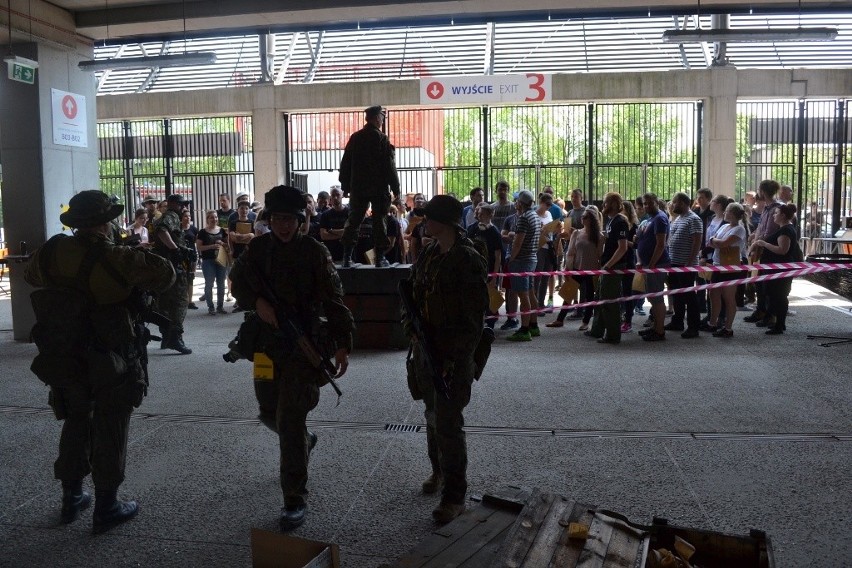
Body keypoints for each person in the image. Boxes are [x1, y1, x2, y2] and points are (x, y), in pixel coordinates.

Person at [25, 190, 175, 533]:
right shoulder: (118, 256)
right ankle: (107, 506)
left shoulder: (52, 250)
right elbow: (166, 276)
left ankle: (72, 497)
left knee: (77, 417)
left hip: (64, 353)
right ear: (105, 222)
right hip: (111, 356)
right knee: (110, 423)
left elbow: (32, 277)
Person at [230, 185, 354, 531]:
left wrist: (344, 341)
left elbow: (334, 299)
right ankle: (303, 441)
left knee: (290, 419)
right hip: (267, 348)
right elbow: (237, 282)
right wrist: (257, 302)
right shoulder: (257, 250)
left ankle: (293, 499)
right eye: (278, 220)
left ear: (301, 221)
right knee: (269, 413)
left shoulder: (314, 252)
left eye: (290, 220)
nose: (284, 227)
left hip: (303, 346)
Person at [403, 194, 488, 524]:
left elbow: (473, 319)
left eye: (431, 218)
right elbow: (410, 295)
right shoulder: (428, 253)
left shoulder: (467, 259)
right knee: (431, 415)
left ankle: (454, 495)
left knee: (449, 424)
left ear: (448, 222)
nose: (425, 222)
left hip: (452, 356)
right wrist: (411, 329)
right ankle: (438, 471)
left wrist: (455, 361)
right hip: (425, 351)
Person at [339, 105, 401, 267]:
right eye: (382, 117)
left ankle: (346, 257)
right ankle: (380, 258)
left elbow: (345, 162)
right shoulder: (381, 138)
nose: (383, 120)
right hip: (378, 187)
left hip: (358, 187)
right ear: (376, 118)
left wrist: (345, 185)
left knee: (354, 220)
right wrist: (396, 188)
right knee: (380, 221)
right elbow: (389, 166)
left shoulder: (356, 137)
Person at [547, 205, 603, 330]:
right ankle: (560, 319)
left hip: (591, 270)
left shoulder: (599, 236)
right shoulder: (577, 233)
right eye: (582, 217)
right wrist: (567, 268)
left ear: (592, 219)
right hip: (577, 268)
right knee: (568, 294)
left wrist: (599, 271)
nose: (582, 219)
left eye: (585, 217)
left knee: (589, 296)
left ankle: (586, 321)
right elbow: (570, 252)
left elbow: (600, 255)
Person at [151, 194, 193, 354]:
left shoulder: (168, 215)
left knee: (166, 302)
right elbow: (162, 230)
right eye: (182, 205)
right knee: (180, 302)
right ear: (174, 204)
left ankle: (167, 337)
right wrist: (175, 249)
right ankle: (175, 337)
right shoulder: (172, 216)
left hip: (165, 266)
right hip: (172, 266)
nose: (184, 208)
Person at [751, 203, 802, 335]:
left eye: (776, 213)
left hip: (780, 270)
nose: (774, 215)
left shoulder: (785, 230)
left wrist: (764, 244)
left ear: (783, 215)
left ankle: (779, 324)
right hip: (775, 269)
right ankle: (777, 322)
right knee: (774, 295)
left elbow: (782, 250)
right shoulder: (784, 229)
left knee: (779, 296)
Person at [588, 192, 629, 344]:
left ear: (612, 204)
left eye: (605, 202)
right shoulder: (610, 221)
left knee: (609, 301)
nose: (603, 205)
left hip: (614, 266)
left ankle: (612, 334)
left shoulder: (620, 222)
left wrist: (609, 264)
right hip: (607, 265)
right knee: (599, 297)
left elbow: (622, 247)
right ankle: (597, 329)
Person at [706, 202, 749, 337]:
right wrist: (715, 241)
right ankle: (712, 323)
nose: (724, 213)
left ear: (733, 213)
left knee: (728, 297)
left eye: (727, 211)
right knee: (713, 294)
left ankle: (728, 327)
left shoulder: (740, 229)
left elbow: (723, 243)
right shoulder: (724, 226)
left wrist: (715, 241)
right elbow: (710, 242)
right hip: (718, 264)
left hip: (732, 267)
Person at [665, 192, 704, 339]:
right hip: (674, 263)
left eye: (674, 202)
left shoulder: (694, 219)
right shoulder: (678, 218)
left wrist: (690, 261)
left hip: (685, 264)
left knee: (689, 296)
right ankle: (677, 321)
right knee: (677, 295)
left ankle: (694, 326)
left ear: (682, 203)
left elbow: (697, 241)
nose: (672, 205)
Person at [506, 190, 542, 341]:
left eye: (516, 201)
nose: (515, 203)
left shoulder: (523, 218)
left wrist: (511, 259)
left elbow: (517, 243)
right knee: (531, 292)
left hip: (521, 260)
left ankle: (524, 329)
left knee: (523, 294)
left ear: (520, 203)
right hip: (532, 258)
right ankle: (534, 325)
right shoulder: (534, 215)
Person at [635, 194, 671, 342]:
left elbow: (661, 244)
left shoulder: (660, 219)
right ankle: (656, 326)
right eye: (644, 204)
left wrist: (652, 264)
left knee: (656, 298)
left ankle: (660, 331)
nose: (646, 206)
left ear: (657, 203)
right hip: (648, 264)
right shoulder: (650, 218)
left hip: (657, 264)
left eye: (650, 204)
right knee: (652, 296)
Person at [466, 203, 503, 329]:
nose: (478, 215)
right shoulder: (471, 228)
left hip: (489, 268)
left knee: (489, 296)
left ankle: (490, 323)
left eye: (481, 213)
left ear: (489, 214)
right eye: (477, 212)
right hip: (474, 268)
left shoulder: (494, 232)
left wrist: (495, 275)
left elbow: (498, 255)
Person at [196, 210, 229, 315]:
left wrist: (222, 243)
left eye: (215, 217)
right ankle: (211, 307)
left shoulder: (222, 231)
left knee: (221, 284)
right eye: (211, 217)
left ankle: (220, 306)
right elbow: (199, 247)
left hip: (221, 260)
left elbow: (227, 244)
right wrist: (212, 246)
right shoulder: (202, 232)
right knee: (209, 283)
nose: (214, 219)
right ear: (207, 219)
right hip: (208, 260)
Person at [319, 186, 350, 262]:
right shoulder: (325, 215)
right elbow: (323, 236)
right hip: (331, 253)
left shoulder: (350, 213)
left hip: (348, 253)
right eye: (333, 195)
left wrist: (331, 231)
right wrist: (344, 233)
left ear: (342, 195)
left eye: (338, 195)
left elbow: (352, 232)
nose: (335, 197)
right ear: (330, 197)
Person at [180, 209, 199, 310]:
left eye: (189, 216)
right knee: (181, 278)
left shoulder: (194, 229)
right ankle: (182, 300)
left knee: (190, 278)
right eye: (185, 216)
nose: (188, 218)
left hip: (191, 256)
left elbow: (197, 243)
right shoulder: (178, 229)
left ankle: (190, 301)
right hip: (181, 256)